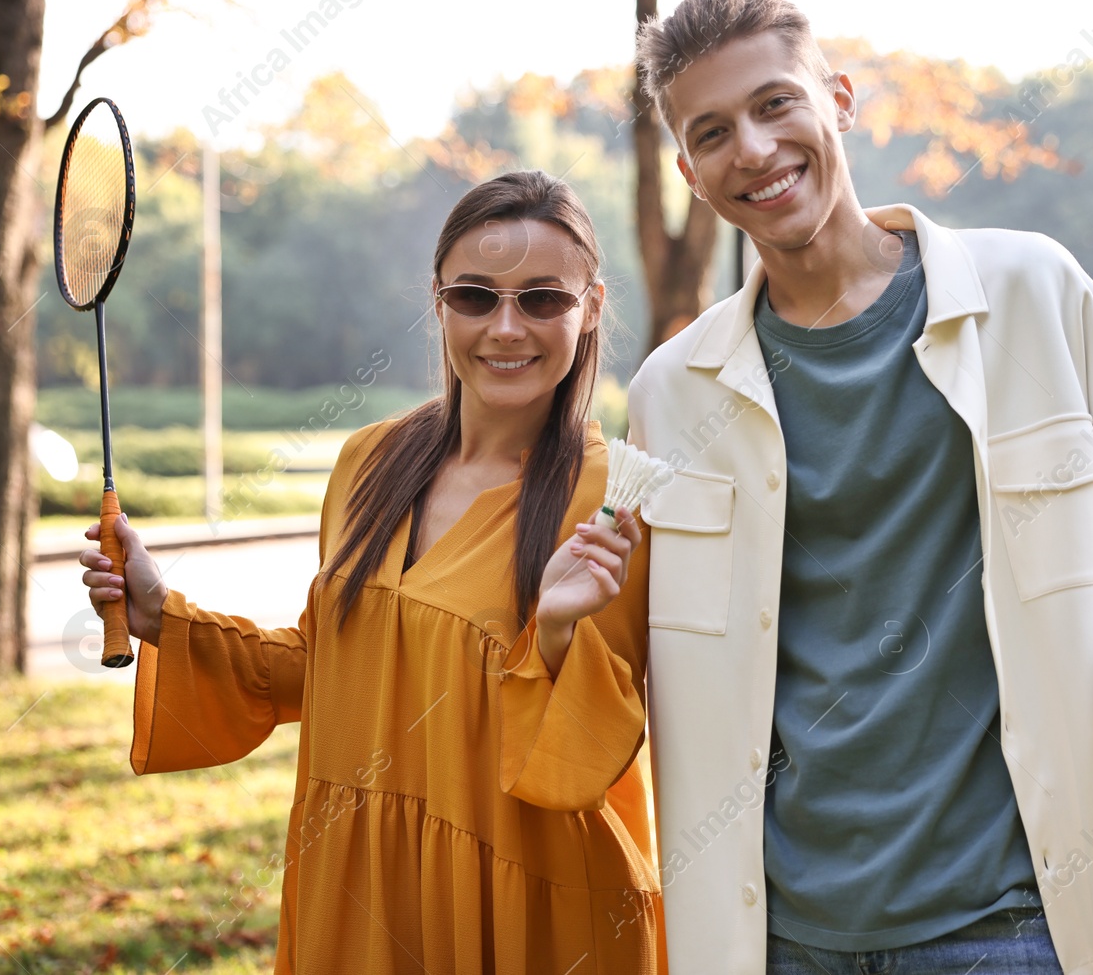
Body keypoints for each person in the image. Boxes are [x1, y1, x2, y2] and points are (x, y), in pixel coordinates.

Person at [626, 0, 1093, 975]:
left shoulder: (1033, 291)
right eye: (714, 131)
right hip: (773, 936)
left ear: (840, 99)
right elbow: (624, 649)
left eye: (777, 103)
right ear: (689, 171)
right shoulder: (668, 395)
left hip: (1010, 920)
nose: (757, 151)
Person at [78, 171, 663, 973]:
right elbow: (337, 666)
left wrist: (554, 631)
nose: (505, 327)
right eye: (475, 295)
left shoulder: (611, 500)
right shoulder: (369, 462)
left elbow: (594, 748)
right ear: (437, 301)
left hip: (526, 910)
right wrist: (161, 615)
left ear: (589, 306)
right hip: (357, 889)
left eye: (542, 299)